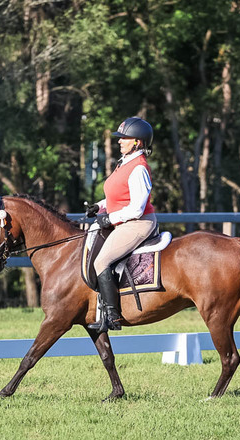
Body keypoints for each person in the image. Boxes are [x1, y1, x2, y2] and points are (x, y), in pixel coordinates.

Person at [86, 116, 158, 333]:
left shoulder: (139, 168)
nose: (120, 141)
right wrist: (99, 207)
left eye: (124, 138)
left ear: (137, 142)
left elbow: (136, 207)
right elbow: (118, 197)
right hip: (125, 221)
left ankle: (112, 316)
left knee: (102, 262)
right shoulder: (125, 163)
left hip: (138, 223)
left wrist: (109, 218)